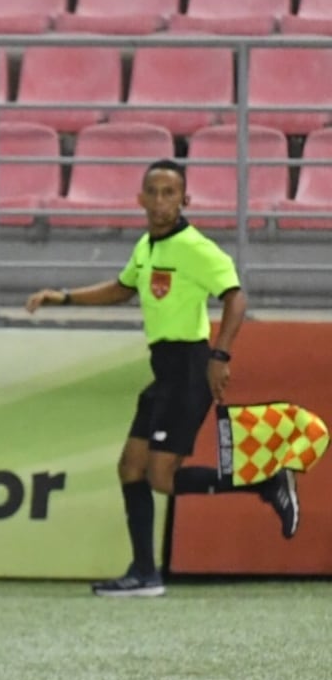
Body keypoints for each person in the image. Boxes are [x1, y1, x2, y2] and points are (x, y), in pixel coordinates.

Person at [25, 157, 298, 598]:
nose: (159, 201)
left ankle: (267, 482)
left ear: (185, 199)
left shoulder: (195, 247)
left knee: (161, 478)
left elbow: (236, 298)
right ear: (140, 199)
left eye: (169, 193)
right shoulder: (148, 246)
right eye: (152, 192)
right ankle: (144, 573)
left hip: (190, 368)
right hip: (164, 373)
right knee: (130, 467)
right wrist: (65, 296)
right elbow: (123, 287)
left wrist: (220, 354)